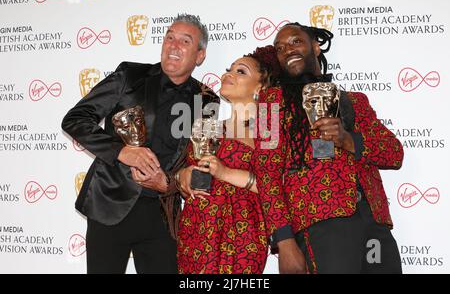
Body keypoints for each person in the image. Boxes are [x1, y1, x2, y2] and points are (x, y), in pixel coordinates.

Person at [61, 14, 218, 274]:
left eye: (185, 41)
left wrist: (169, 184)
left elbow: (201, 161)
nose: (173, 45)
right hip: (110, 206)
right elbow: (75, 120)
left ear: (200, 56)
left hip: (163, 216)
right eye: (169, 37)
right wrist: (123, 152)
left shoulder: (207, 99)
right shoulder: (129, 75)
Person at [254, 23, 404, 274]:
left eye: (295, 42)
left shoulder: (355, 101)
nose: (287, 50)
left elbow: (394, 153)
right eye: (280, 48)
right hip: (322, 224)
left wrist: (349, 140)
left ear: (315, 46)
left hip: (373, 223)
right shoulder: (270, 104)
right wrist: (284, 240)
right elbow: (267, 174)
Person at [176, 46, 277, 274]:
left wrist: (225, 173)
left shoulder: (268, 128)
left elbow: (277, 187)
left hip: (241, 235)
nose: (228, 75)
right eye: (228, 70)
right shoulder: (210, 127)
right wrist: (183, 176)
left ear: (260, 86)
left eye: (241, 71)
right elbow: (188, 174)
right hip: (197, 232)